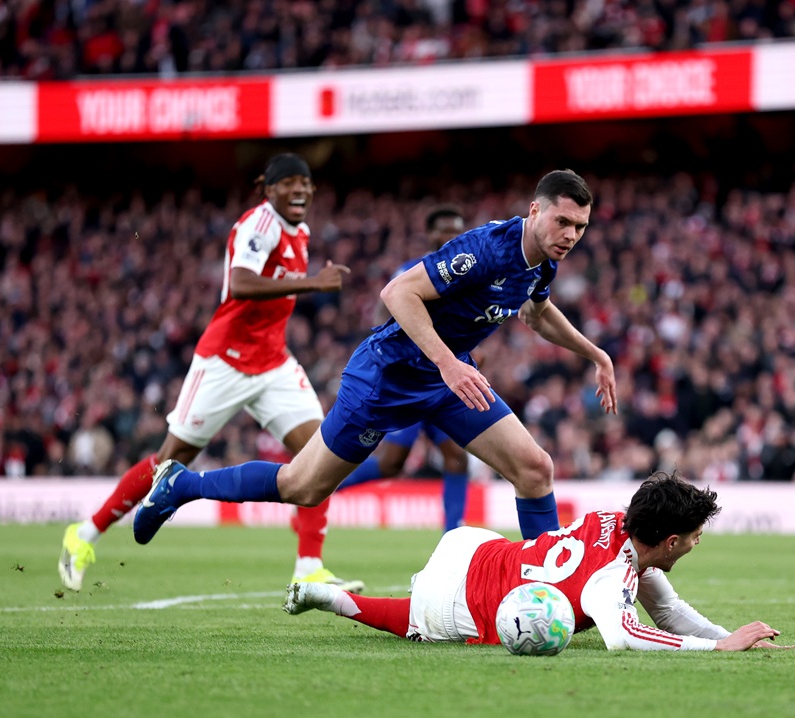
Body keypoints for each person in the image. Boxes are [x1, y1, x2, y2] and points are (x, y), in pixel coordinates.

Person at [133, 169, 617, 547]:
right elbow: (397, 292)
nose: (571, 234)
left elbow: (537, 312)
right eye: (563, 221)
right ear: (535, 211)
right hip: (387, 376)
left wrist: (596, 354)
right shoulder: (486, 250)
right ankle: (182, 485)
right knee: (302, 486)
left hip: (446, 381)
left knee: (535, 468)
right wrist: (450, 362)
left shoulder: (544, 261)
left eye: (580, 226)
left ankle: (548, 586)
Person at [59, 153, 363, 593]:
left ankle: (309, 568)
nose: (300, 189)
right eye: (289, 182)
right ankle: (85, 533)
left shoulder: (302, 232)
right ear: (268, 188)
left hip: (273, 361)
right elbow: (241, 283)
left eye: (306, 183)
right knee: (170, 460)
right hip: (225, 360)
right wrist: (313, 283)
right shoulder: (259, 226)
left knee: (321, 452)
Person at [283, 471, 795, 652]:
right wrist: (715, 650)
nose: (695, 543)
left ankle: (329, 595)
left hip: (468, 546)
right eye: (692, 537)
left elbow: (667, 609)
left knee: (431, 601)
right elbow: (626, 636)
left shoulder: (613, 518)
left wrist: (726, 635)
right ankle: (340, 600)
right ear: (666, 541)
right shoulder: (612, 579)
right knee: (421, 620)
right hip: (458, 601)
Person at [337, 205, 471, 532]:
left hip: (443, 383)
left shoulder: (472, 274)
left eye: (458, 230)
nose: (453, 236)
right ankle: (323, 488)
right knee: (390, 464)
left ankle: (452, 536)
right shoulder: (413, 271)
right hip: (407, 379)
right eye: (445, 230)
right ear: (432, 235)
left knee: (457, 458)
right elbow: (389, 315)